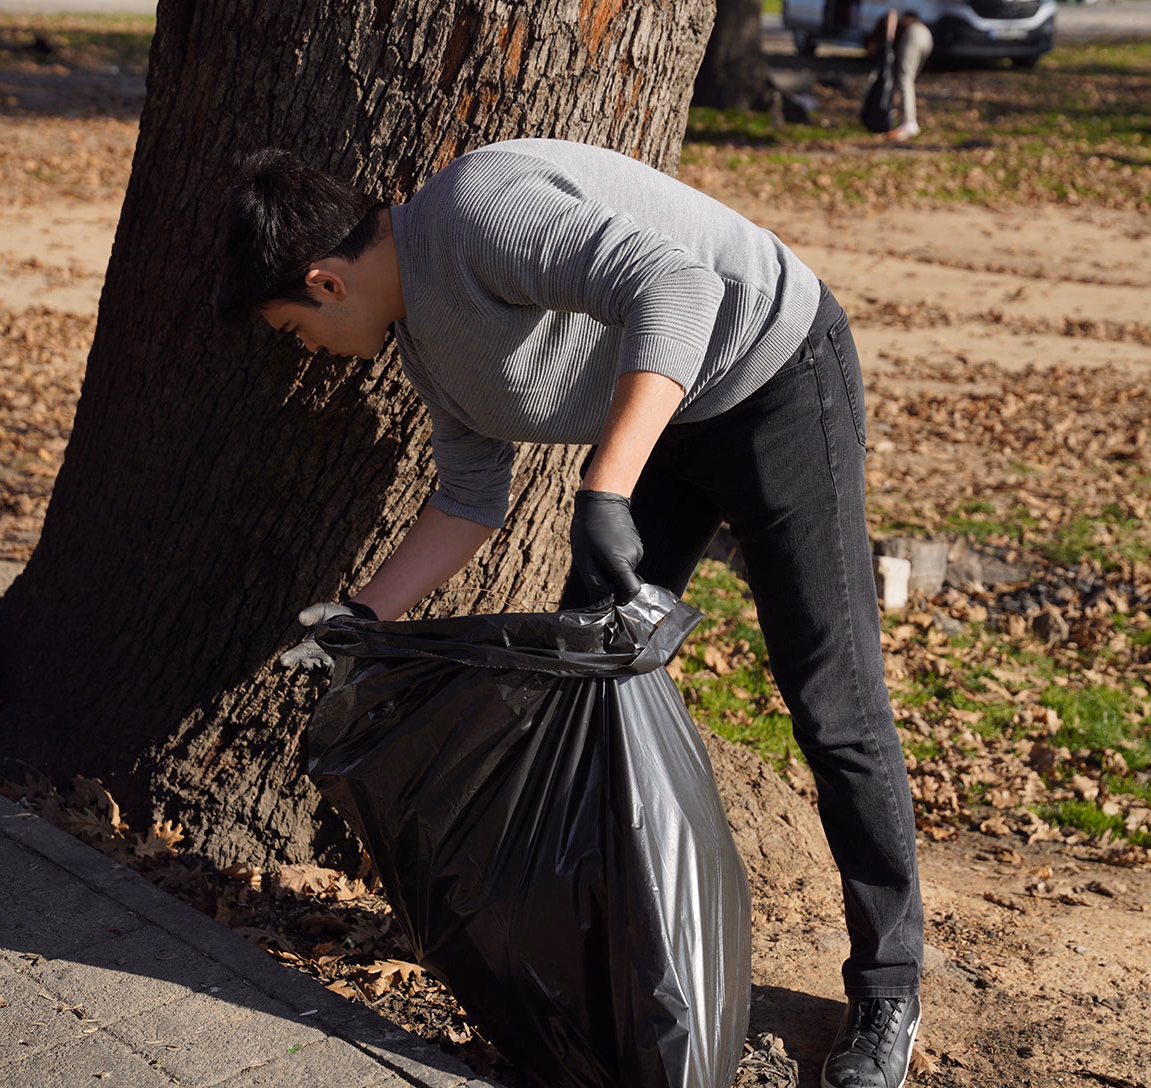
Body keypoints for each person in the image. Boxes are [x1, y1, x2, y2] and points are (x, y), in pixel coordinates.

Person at [215, 138, 924, 1088]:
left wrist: (605, 492)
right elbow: (470, 497)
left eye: (290, 327)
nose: (303, 350)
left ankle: (889, 991)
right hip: (666, 418)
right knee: (576, 693)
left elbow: (678, 287)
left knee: (831, 700)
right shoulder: (422, 335)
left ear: (324, 282)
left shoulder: (477, 208)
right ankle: (605, 971)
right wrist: (360, 614)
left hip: (776, 373)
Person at [865, 9, 934, 142]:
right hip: (927, 35)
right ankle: (902, 117)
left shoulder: (879, 30)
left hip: (914, 34)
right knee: (906, 79)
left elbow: (891, 15)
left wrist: (889, 34)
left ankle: (909, 122)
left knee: (905, 78)